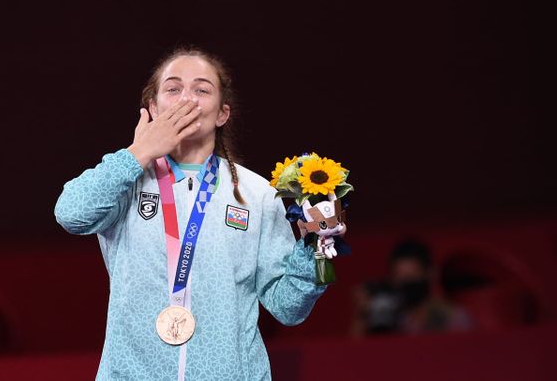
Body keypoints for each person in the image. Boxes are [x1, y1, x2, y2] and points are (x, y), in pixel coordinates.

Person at [54, 46, 330, 380]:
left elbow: (288, 307)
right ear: (153, 109)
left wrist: (316, 248)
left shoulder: (257, 195)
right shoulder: (125, 182)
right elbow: (71, 213)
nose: (187, 99)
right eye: (173, 89)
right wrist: (139, 152)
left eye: (201, 90)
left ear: (221, 114)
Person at [351, 238, 472, 336]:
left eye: (411, 276)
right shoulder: (391, 322)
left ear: (430, 273)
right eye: (400, 278)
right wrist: (362, 316)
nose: (406, 283)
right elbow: (358, 355)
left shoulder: (452, 318)